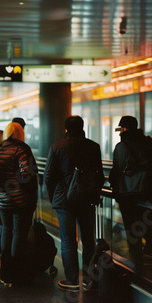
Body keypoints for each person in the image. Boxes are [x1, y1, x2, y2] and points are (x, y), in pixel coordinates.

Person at [44, 115, 105, 292]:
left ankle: (72, 281)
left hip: (64, 201)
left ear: (66, 129)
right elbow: (99, 175)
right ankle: (88, 280)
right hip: (86, 200)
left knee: (68, 241)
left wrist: (53, 196)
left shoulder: (57, 147)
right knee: (88, 239)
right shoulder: (93, 147)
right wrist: (94, 193)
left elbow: (49, 176)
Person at [0, 122, 38, 286]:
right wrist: (26, 191)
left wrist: (2, 192)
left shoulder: (0, 150)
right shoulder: (21, 148)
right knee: (19, 233)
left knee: (6, 231)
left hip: (3, 201)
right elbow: (26, 172)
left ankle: (5, 270)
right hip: (20, 200)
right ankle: (17, 271)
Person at [108, 115, 152, 271]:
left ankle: (138, 265)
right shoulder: (150, 144)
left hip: (127, 196)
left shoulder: (121, 147)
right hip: (146, 194)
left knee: (132, 230)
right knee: (145, 226)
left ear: (124, 129)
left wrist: (115, 188)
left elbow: (116, 172)